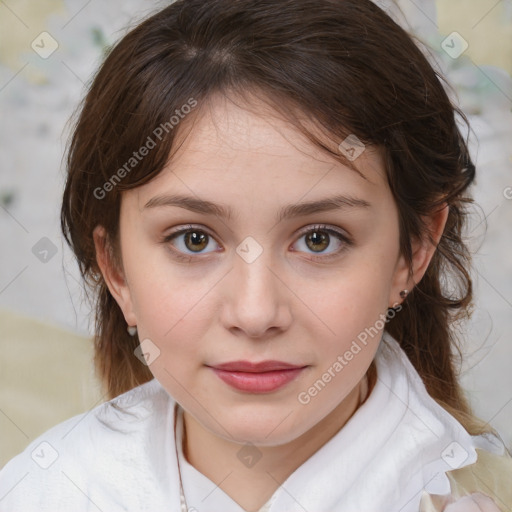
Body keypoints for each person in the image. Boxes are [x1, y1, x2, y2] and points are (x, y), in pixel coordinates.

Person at [0, 0, 511, 510]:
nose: (255, 313)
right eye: (193, 240)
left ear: (414, 250)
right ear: (116, 270)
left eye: (319, 239)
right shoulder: (41, 492)